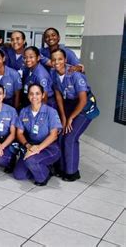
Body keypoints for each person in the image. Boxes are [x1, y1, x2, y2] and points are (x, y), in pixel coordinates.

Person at [51, 49, 99, 181]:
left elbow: (83, 100)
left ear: (65, 60)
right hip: (69, 106)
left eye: (60, 59)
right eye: (54, 60)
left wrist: (71, 118)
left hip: (85, 108)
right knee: (61, 135)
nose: (57, 62)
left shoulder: (75, 74)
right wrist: (64, 117)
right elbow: (59, 97)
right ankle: (61, 167)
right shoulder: (53, 74)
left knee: (70, 137)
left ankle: (72, 172)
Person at [13, 84, 62, 186]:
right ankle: (41, 166)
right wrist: (28, 146)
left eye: (37, 93)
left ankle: (46, 174)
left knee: (31, 161)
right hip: (31, 145)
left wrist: (38, 148)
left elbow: (54, 135)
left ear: (43, 95)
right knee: (19, 175)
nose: (34, 96)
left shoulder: (51, 112)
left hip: (49, 147)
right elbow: (19, 133)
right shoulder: (24, 111)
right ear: (28, 96)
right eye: (31, 93)